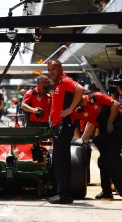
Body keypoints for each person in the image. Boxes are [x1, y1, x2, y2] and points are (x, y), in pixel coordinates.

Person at [46, 59, 85, 204]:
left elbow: (80, 89)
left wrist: (70, 109)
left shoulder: (65, 80)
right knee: (63, 160)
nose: (51, 72)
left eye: (54, 69)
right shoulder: (58, 84)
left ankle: (63, 194)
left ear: (60, 68)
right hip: (60, 126)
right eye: (49, 70)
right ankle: (64, 193)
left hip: (63, 126)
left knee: (60, 160)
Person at [72, 90, 120, 199]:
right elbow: (89, 122)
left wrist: (110, 121)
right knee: (103, 162)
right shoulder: (78, 111)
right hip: (108, 133)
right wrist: (83, 139)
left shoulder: (97, 97)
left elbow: (115, 104)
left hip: (118, 127)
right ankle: (107, 191)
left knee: (116, 159)